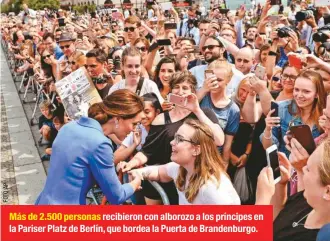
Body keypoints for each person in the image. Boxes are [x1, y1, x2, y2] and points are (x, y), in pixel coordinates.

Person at [119, 71, 225, 205]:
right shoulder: (161, 119)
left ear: (193, 91)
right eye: (177, 87)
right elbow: (147, 152)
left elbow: (219, 140)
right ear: (171, 90)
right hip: (162, 178)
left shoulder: (204, 113)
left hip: (193, 179)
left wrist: (196, 110)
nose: (180, 91)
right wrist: (131, 164)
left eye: (185, 88)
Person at [35, 90, 145, 205]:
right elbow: (116, 196)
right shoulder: (100, 143)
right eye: (134, 124)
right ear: (118, 118)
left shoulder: (68, 127)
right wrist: (135, 182)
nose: (134, 129)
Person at [127, 119, 240, 205]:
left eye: (180, 139)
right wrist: (138, 173)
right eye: (175, 137)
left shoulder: (212, 188)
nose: (172, 142)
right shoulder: (180, 169)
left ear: (196, 149)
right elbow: (159, 172)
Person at [256, 137, 330, 241]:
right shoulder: (309, 200)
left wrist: (262, 200)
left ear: (327, 192)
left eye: (308, 169)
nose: (302, 168)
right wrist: (281, 185)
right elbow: (278, 219)